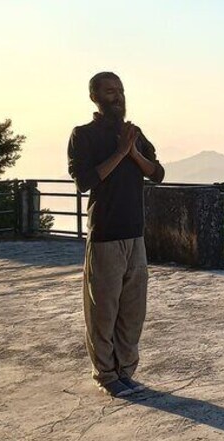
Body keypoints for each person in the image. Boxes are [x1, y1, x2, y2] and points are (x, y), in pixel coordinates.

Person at [68, 72, 165, 398]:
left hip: (135, 235)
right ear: (94, 96)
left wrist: (133, 152)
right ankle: (106, 374)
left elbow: (158, 173)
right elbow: (85, 181)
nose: (118, 96)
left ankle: (126, 371)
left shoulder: (133, 133)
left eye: (120, 90)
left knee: (133, 311)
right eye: (110, 91)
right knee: (103, 310)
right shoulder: (83, 135)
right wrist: (121, 153)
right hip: (105, 236)